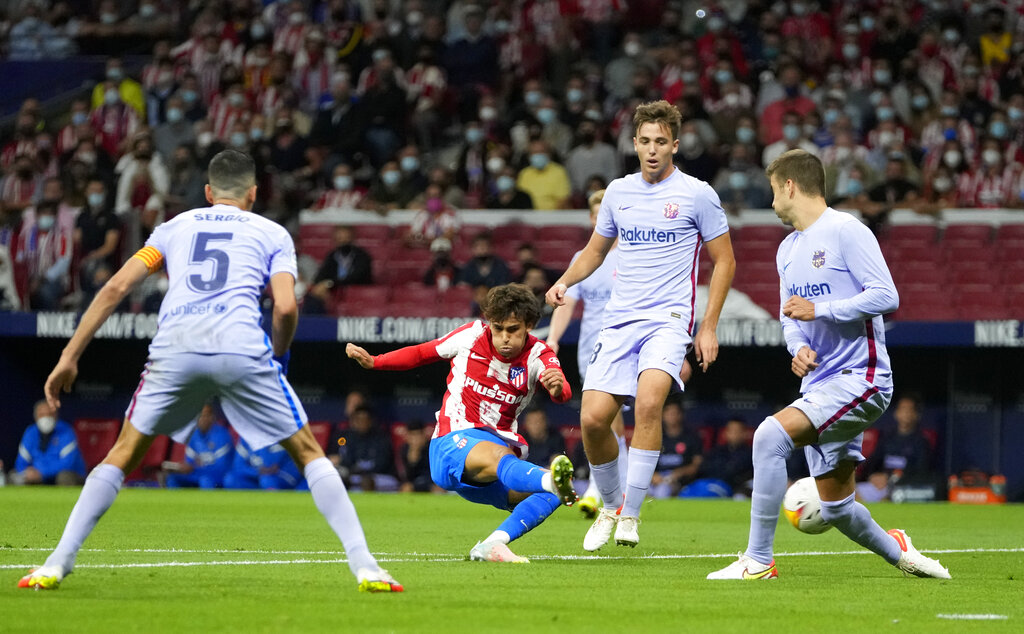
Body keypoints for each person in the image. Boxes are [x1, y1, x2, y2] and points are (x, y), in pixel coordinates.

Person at [20, 150, 401, 593]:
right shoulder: (273, 232)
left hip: (175, 346)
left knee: (123, 454)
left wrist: (69, 355)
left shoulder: (173, 228)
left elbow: (116, 287)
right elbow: (284, 306)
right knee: (309, 451)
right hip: (241, 345)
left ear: (207, 192)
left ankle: (55, 563)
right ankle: (366, 566)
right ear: (253, 193)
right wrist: (278, 353)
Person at [708, 149, 950, 581]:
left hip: (863, 378)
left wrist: (821, 309)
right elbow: (789, 315)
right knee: (837, 506)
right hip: (820, 384)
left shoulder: (846, 230)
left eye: (772, 192)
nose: (771, 204)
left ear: (790, 186)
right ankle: (900, 552)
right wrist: (796, 348)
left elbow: (886, 296)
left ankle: (758, 562)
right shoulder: (787, 249)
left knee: (768, 436)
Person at [546, 100, 735, 551]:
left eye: (661, 142)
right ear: (634, 144)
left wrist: (708, 327)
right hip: (620, 320)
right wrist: (563, 281)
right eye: (645, 141)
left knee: (649, 403)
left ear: (675, 144)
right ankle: (610, 506)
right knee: (593, 420)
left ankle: (631, 513)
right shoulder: (618, 191)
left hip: (668, 320)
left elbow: (724, 259)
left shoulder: (697, 193)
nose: (652, 150)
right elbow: (595, 250)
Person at [346, 283, 578, 563]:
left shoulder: (539, 355)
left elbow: (562, 391)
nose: (504, 337)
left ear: (528, 325)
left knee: (549, 494)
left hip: (488, 469)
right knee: (532, 472)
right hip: (451, 441)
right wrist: (376, 361)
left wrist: (558, 388)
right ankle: (551, 480)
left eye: (513, 330)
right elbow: (422, 353)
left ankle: (493, 544)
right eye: (497, 328)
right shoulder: (470, 336)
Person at [546, 188, 628, 519]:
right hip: (589, 350)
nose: (600, 219)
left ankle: (603, 489)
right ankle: (616, 489)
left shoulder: (634, 253)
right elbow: (567, 302)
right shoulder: (584, 256)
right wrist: (552, 338)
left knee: (609, 417)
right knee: (600, 419)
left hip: (624, 345)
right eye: (595, 213)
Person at [10, 400, 86, 486]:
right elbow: (21, 462)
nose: (46, 418)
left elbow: (68, 463)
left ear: (56, 415)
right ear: (36, 417)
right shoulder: (30, 432)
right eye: (42, 415)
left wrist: (41, 472)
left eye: (50, 414)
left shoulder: (66, 431)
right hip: (37, 476)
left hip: (65, 475)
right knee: (13, 475)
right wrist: (28, 473)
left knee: (64, 477)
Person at [162, 403, 234, 489]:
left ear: (212, 417)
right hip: (198, 474)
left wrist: (194, 468)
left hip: (217, 475)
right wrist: (181, 468)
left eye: (204, 416)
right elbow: (189, 462)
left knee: (205, 480)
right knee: (172, 479)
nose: (201, 419)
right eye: (199, 416)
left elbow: (221, 467)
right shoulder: (194, 436)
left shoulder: (222, 435)